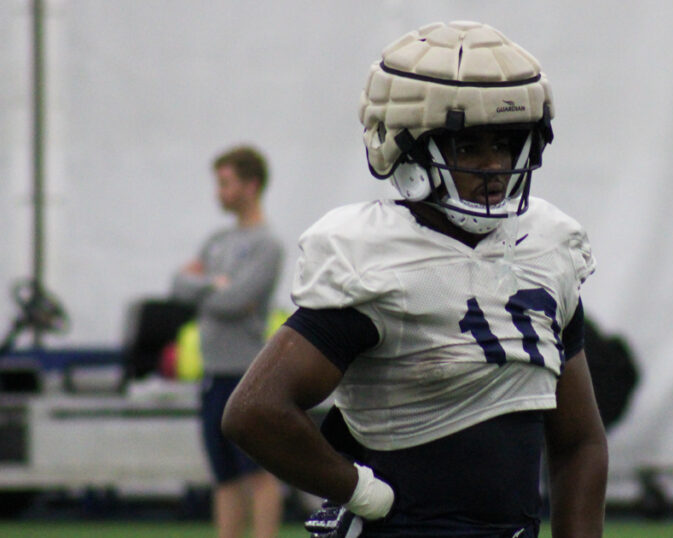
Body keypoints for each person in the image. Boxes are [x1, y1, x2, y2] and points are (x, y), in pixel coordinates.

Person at [222, 21, 608, 538]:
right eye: (468, 147)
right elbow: (255, 412)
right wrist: (358, 490)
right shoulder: (377, 257)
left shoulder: (547, 247)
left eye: (505, 143)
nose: (494, 165)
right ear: (406, 148)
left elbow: (580, 442)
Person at [171, 145, 285, 538]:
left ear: (250, 186)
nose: (218, 192)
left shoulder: (266, 245)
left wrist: (210, 287)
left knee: (258, 476)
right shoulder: (217, 240)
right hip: (213, 376)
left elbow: (236, 301)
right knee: (224, 478)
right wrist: (212, 284)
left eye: (225, 183)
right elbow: (178, 287)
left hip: (246, 377)